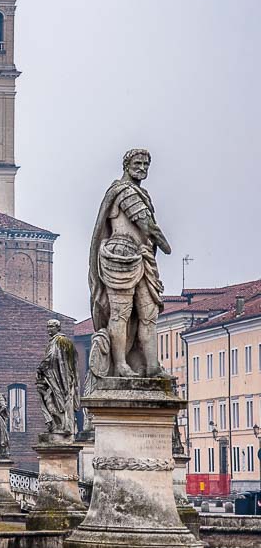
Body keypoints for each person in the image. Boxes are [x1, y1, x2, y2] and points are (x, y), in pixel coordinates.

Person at [88, 149, 170, 378]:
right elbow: (147, 226)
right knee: (120, 314)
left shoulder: (140, 193)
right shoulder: (124, 192)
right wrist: (166, 246)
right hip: (120, 258)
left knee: (148, 314)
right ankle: (121, 365)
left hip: (143, 258)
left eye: (146, 164)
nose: (142, 168)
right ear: (126, 164)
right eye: (138, 163)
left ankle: (152, 366)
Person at [36, 319, 79, 437]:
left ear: (58, 328)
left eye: (51, 327)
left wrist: (41, 367)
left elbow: (52, 357)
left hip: (59, 378)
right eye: (48, 327)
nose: (49, 329)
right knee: (48, 398)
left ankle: (64, 425)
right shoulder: (55, 341)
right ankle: (57, 424)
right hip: (52, 377)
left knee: (59, 399)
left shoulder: (61, 341)